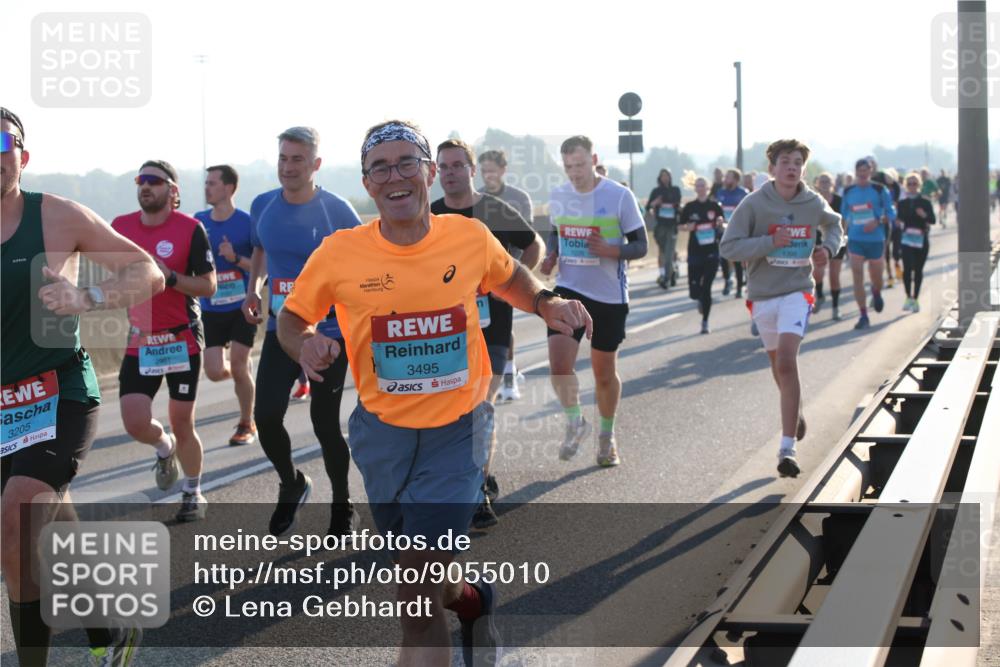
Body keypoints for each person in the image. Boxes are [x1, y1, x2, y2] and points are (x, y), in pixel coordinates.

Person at [278, 119, 591, 667]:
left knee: (414, 595)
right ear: (368, 183)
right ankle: (473, 602)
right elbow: (292, 317)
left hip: (459, 430)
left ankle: (459, 608)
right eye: (381, 167)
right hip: (382, 436)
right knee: (427, 579)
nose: (395, 176)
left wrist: (546, 302)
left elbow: (512, 277)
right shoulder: (340, 253)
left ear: (427, 173)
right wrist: (304, 343)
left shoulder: (466, 237)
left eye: (406, 164)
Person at [2, 108, 161, 667]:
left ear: (23, 154)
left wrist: (86, 299)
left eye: (3, 141)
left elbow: (147, 271)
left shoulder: (57, 217)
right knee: (50, 526)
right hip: (2, 406)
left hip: (58, 391)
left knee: (18, 521)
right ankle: (112, 629)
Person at [242, 126, 362, 537]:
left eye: (297, 159)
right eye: (282, 158)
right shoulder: (263, 205)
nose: (288, 167)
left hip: (327, 334)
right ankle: (292, 483)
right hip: (282, 329)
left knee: (324, 424)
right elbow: (260, 248)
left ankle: (342, 505)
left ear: (315, 164)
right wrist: (252, 289)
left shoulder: (337, 210)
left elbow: (362, 263)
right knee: (266, 416)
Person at [431, 138, 544, 529]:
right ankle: (473, 476)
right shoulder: (430, 216)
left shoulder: (492, 210)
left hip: (493, 325)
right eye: (443, 167)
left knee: (482, 405)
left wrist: (512, 283)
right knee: (452, 411)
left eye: (457, 165)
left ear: (471, 170)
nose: (449, 173)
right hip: (446, 331)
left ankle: (478, 491)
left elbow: (534, 246)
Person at [720, 139, 842, 478]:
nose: (792, 167)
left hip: (798, 291)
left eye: (798, 162)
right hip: (762, 294)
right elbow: (729, 247)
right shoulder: (754, 204)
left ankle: (786, 449)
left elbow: (835, 225)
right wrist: (771, 242)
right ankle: (795, 409)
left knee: (787, 361)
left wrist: (828, 249)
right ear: (772, 167)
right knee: (779, 367)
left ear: (804, 168)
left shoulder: (812, 202)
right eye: (785, 161)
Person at [112, 160, 216, 522]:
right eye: (141, 180)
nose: (145, 186)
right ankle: (162, 446)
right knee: (134, 421)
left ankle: (193, 492)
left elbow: (208, 286)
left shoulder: (190, 229)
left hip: (181, 339)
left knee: (182, 419)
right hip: (140, 340)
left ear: (172, 190)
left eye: (154, 181)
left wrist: (170, 277)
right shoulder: (120, 228)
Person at [540, 135, 648, 467]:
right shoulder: (558, 196)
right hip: (569, 290)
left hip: (608, 297)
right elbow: (556, 232)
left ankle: (606, 435)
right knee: (559, 367)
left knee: (603, 373)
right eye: (569, 166)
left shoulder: (618, 196)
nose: (575, 172)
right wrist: (552, 254)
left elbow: (641, 245)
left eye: (580, 165)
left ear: (594, 159)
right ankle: (576, 422)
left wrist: (611, 251)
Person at [195, 165, 258, 446]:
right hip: (211, 308)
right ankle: (242, 373)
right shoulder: (198, 222)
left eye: (213, 183)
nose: (207, 188)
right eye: (206, 183)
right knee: (213, 371)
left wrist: (234, 259)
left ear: (230, 188)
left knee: (239, 363)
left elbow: (261, 266)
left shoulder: (247, 222)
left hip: (243, 305)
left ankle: (247, 422)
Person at [478, 149, 533, 402]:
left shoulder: (518, 198)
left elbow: (526, 238)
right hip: (479, 277)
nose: (488, 175)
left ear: (503, 170)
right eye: (483, 170)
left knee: (504, 326)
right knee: (484, 326)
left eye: (492, 169)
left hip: (510, 270)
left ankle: (509, 378)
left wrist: (518, 273)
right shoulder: (476, 198)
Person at [841, 157, 895, 330]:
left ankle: (876, 291)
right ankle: (863, 315)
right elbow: (843, 214)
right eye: (860, 171)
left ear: (870, 172)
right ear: (856, 172)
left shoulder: (880, 189)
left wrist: (878, 221)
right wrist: (846, 229)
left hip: (875, 239)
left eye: (866, 170)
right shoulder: (848, 190)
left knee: (877, 276)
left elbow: (891, 213)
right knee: (857, 277)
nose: (863, 174)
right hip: (856, 239)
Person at [679, 176, 725, 334]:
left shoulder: (715, 206)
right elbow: (680, 226)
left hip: (712, 252)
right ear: (695, 188)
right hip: (694, 252)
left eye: (703, 185)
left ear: (708, 187)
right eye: (698, 185)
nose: (700, 188)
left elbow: (723, 223)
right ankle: (698, 298)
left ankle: (705, 321)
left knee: (707, 288)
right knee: (694, 291)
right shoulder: (690, 207)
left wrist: (720, 224)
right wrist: (688, 227)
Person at [897, 172, 936, 313]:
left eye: (915, 183)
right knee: (907, 269)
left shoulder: (925, 202)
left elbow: (932, 220)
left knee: (918, 270)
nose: (912, 186)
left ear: (919, 185)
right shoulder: (902, 203)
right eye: (909, 184)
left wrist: (924, 215)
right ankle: (908, 297)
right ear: (906, 186)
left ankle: (916, 298)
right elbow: (898, 219)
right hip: (907, 239)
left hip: (921, 240)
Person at [812, 172, 846, 319]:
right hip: (818, 242)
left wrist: (843, 236)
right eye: (822, 181)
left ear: (833, 184)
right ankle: (819, 295)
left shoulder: (839, 200)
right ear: (817, 184)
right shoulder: (813, 200)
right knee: (817, 274)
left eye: (827, 181)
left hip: (837, 240)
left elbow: (844, 221)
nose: (825, 184)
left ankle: (835, 308)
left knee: (834, 275)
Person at [645, 168, 682, 289]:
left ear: (670, 177)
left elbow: (679, 204)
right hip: (660, 226)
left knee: (669, 251)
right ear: (660, 178)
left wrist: (676, 206)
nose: (665, 178)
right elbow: (648, 207)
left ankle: (666, 277)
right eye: (663, 176)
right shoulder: (656, 191)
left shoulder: (675, 190)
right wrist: (655, 203)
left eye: (667, 175)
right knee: (665, 251)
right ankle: (672, 271)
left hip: (672, 225)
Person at [715, 168, 750, 297]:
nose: (725, 179)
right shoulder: (720, 192)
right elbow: (718, 211)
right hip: (723, 229)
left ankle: (740, 287)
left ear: (735, 179)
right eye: (725, 177)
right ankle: (727, 279)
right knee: (723, 257)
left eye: (728, 177)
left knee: (737, 259)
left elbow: (747, 212)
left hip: (738, 229)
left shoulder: (743, 193)